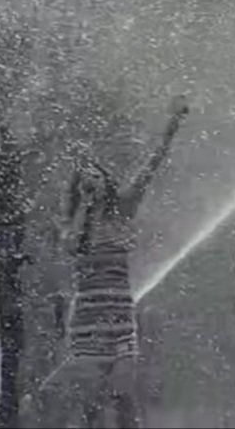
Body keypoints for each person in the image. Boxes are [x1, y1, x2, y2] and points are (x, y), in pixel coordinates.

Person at [59, 95, 190, 429]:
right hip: (87, 323)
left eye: (97, 176)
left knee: (125, 399)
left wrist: (170, 129)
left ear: (106, 179)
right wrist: (84, 208)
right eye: (86, 178)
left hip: (120, 319)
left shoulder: (124, 210)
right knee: (89, 408)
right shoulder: (75, 223)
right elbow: (70, 246)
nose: (93, 181)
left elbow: (151, 166)